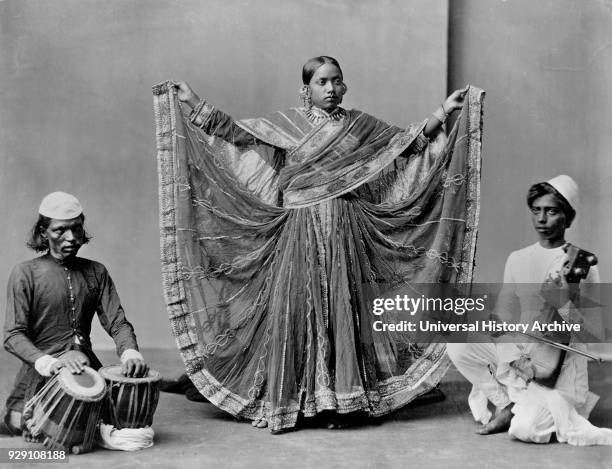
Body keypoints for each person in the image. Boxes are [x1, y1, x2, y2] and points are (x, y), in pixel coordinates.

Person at [152, 56, 485, 433]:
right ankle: (297, 401)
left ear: (344, 86)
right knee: (297, 307)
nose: (330, 89)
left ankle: (342, 403)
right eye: (322, 82)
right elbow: (234, 133)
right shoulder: (288, 126)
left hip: (347, 230)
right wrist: (193, 101)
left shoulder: (358, 127)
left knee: (344, 308)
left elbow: (404, 145)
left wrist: (445, 110)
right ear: (306, 89)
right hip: (299, 231)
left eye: (336, 81)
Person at [447, 175, 612, 445]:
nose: (542, 219)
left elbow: (594, 330)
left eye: (551, 211)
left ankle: (524, 407)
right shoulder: (518, 258)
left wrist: (561, 302)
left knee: (526, 430)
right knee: (457, 341)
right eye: (536, 210)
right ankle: (506, 405)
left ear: (568, 218)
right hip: (521, 349)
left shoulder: (582, 263)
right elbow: (505, 308)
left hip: (556, 362)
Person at [1, 191, 148, 438]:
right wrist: (50, 363)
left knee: (118, 424)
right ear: (43, 232)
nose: (71, 237)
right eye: (60, 230)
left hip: (86, 367)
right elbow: (12, 335)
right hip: (42, 371)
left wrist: (130, 352)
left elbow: (118, 323)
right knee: (26, 425)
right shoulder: (25, 273)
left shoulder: (96, 272)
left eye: (77, 229)